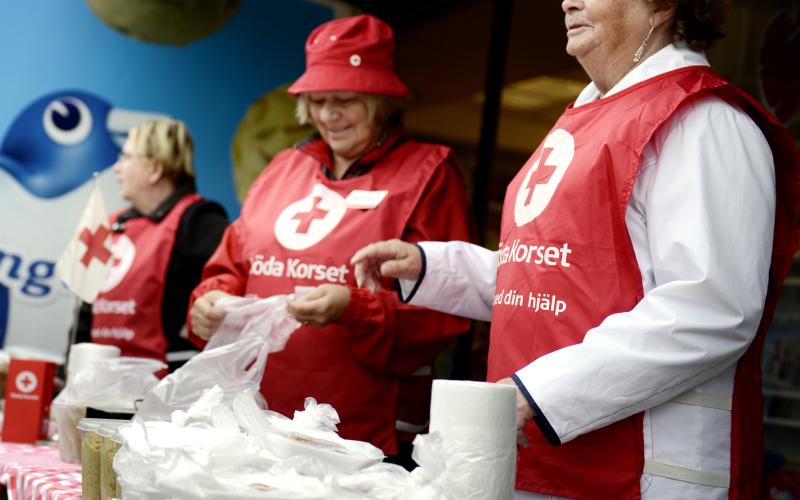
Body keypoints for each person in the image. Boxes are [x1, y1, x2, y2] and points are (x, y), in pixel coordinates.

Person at [351, 1, 800, 498]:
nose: (568, 0)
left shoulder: (703, 120)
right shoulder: (586, 117)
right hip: (546, 458)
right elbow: (550, 277)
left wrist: (537, 394)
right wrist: (432, 266)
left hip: (646, 472)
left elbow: (710, 306)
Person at [187, 14, 472, 462]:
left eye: (345, 100)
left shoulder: (428, 174)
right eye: (317, 101)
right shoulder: (284, 167)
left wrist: (353, 309)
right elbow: (232, 266)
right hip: (252, 421)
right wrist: (209, 301)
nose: (328, 115)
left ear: (380, 100)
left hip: (361, 434)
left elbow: (446, 310)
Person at [75, 118, 228, 373]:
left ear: (155, 169)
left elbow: (222, 300)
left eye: (125, 157)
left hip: (167, 393)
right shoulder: (113, 224)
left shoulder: (200, 222)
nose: (116, 168)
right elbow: (86, 309)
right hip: (101, 385)